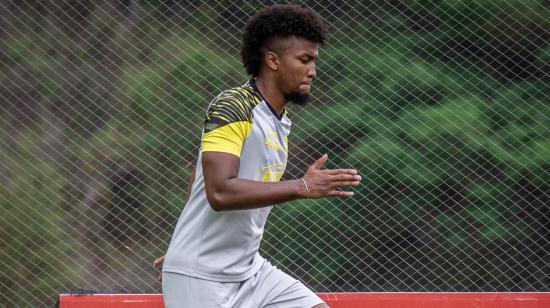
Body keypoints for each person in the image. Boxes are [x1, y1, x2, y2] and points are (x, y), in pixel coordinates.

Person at [155, 4, 361, 308]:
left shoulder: (280, 120)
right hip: (201, 276)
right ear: (273, 60)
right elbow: (219, 191)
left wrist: (178, 243)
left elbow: (200, 178)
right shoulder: (233, 105)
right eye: (304, 60)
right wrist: (302, 186)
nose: (313, 71)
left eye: (314, 61)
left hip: (249, 270)